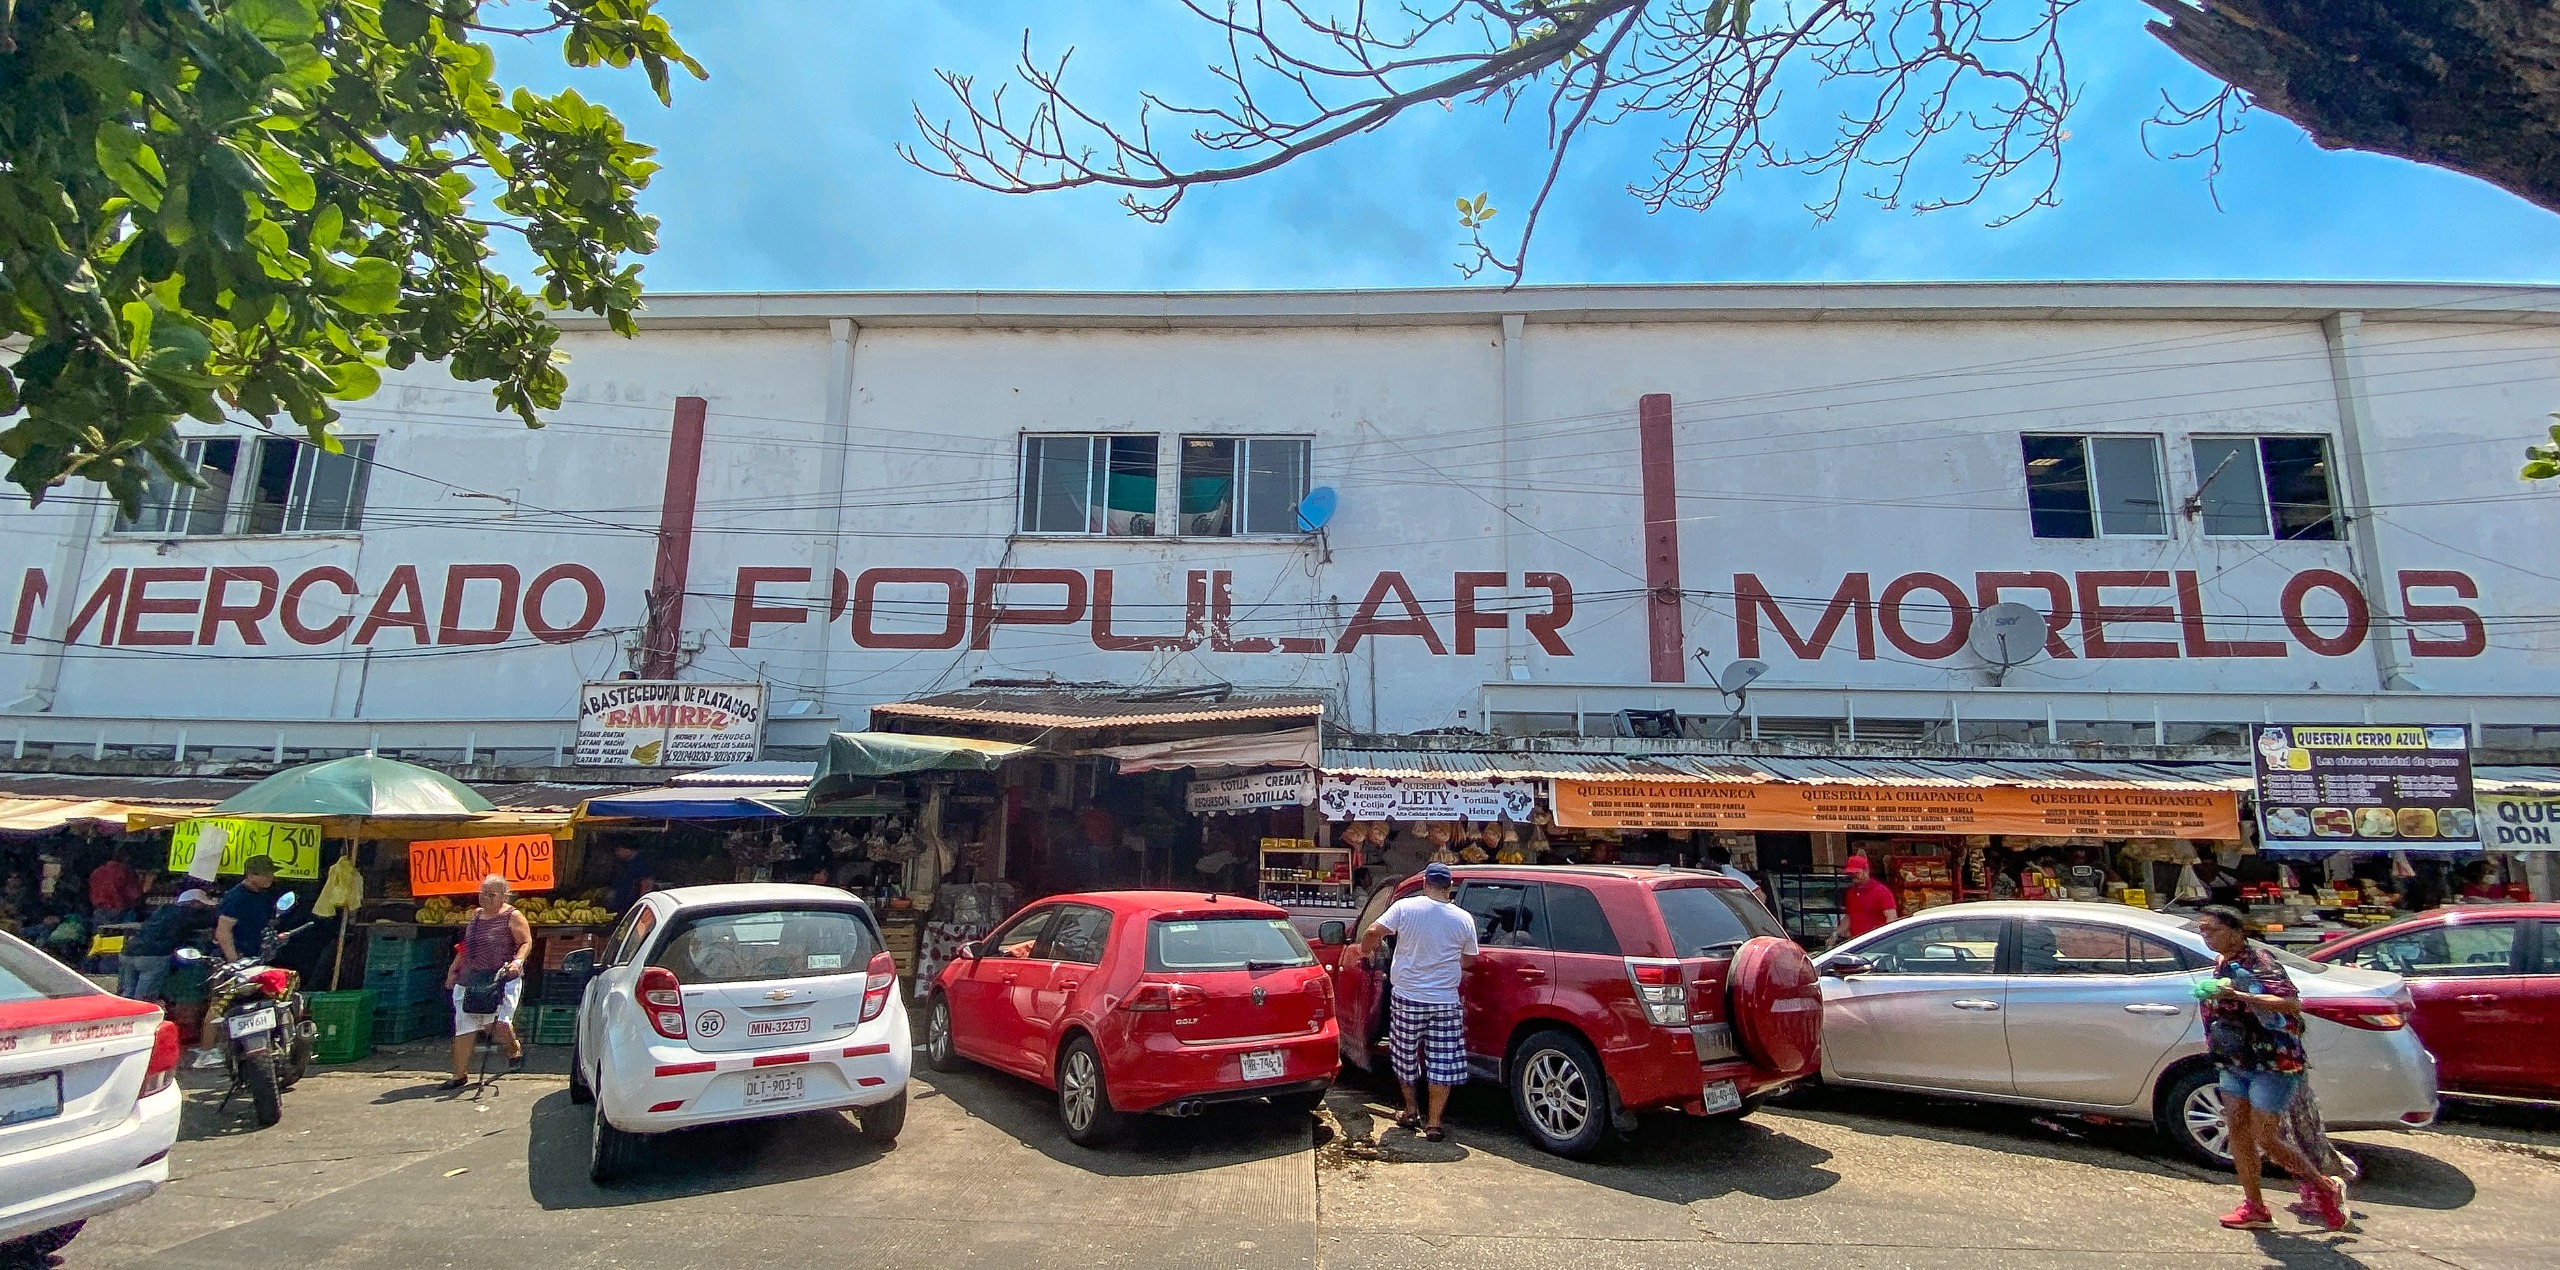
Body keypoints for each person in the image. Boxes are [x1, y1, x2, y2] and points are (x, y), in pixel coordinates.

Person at [2196, 905, 2347, 1232]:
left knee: (2265, 1136)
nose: (2206, 936)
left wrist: (2237, 995)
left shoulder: (2261, 962)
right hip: (2234, 1059)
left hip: (2272, 1061)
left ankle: (2324, 1187)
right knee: (2237, 1130)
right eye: (2202, 930)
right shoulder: (2223, 962)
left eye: (2212, 929)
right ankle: (2255, 1207)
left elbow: (2291, 1003)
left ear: (2236, 932)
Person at [1359, 862, 1477, 1143]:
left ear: (1425, 884)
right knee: (1442, 1061)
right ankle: (1434, 1123)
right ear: (1449, 887)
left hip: (1408, 998)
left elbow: (1373, 931)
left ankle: (1411, 1111)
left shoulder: (1405, 908)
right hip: (1445, 1001)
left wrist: (1365, 951)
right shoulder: (1463, 918)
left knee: (1404, 1056)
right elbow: (1470, 959)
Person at [443, 874, 535, 1090]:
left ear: (504, 896)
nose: (485, 898)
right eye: (482, 893)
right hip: (471, 978)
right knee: (464, 1024)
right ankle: (459, 1075)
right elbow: (466, 946)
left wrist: (518, 961)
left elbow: (525, 942)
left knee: (497, 1024)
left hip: (500, 979)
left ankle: (514, 1050)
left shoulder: (513, 916)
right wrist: (453, 969)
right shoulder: (476, 916)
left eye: (491, 894)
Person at [118, 888, 220, 1002]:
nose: (205, 908)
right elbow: (214, 920)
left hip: (128, 952)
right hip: (153, 956)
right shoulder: (188, 913)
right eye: (203, 905)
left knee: (126, 994)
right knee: (144, 999)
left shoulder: (162, 910)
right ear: (194, 903)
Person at [214, 857, 281, 961]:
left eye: (271, 873)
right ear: (250, 875)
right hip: (240, 958)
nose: (270, 877)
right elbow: (223, 932)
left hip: (255, 956)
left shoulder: (262, 895)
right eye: (265, 874)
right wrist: (234, 960)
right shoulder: (237, 897)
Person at [1840, 855, 1898, 941]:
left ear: (1866, 871)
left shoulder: (1881, 891)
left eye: (1856, 873)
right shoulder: (1851, 893)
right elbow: (1849, 918)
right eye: (1850, 873)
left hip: (1876, 943)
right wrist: (1835, 934)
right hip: (1857, 942)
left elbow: (1892, 918)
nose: (1853, 875)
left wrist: (1881, 940)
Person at [87, 851, 144, 925]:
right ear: (126, 859)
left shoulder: (96, 872)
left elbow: (92, 892)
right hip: (119, 912)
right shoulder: (124, 872)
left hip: (98, 911)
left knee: (99, 932)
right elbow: (134, 895)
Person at [609, 843, 655, 912]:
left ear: (627, 849)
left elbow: (645, 883)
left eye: (619, 850)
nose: (617, 853)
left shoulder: (640, 863)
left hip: (631, 903)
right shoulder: (624, 863)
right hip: (621, 901)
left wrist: (641, 902)